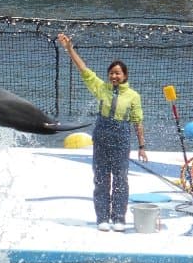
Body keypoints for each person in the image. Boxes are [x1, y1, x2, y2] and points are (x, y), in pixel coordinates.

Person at [56, 33, 146, 232]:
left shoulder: (133, 96)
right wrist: (69, 49)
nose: (114, 76)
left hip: (121, 138)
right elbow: (84, 70)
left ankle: (119, 218)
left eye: (118, 73)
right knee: (101, 178)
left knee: (120, 178)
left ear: (125, 76)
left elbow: (137, 121)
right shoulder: (101, 88)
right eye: (111, 73)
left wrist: (142, 146)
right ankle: (102, 218)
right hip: (102, 137)